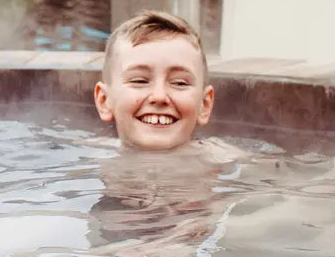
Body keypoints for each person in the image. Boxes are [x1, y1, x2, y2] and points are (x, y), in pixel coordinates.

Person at [92, 10, 231, 157]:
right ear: (104, 101)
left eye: (180, 83)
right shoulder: (92, 157)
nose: (159, 96)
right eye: (139, 80)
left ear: (205, 104)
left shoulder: (223, 161)